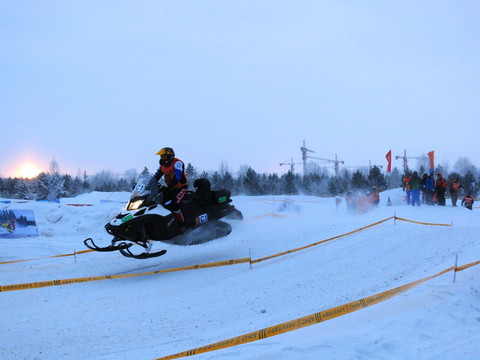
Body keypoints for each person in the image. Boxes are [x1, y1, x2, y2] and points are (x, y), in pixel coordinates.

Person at [154, 147, 188, 233]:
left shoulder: (177, 163)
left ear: (170, 156)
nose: (162, 159)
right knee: (158, 202)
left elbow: (177, 176)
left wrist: (169, 188)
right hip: (170, 188)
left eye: (164, 157)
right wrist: (148, 184)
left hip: (181, 187)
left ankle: (182, 225)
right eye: (161, 157)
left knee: (174, 204)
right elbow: (156, 176)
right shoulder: (162, 165)